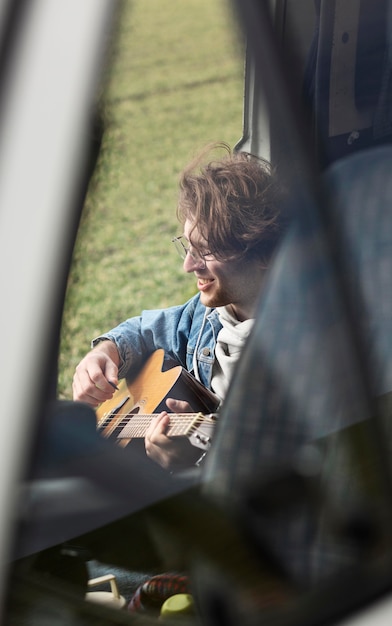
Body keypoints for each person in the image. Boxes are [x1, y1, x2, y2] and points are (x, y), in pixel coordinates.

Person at [73, 142, 287, 472]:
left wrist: (197, 465)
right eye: (187, 245)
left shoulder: (299, 358)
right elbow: (143, 331)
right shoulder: (209, 317)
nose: (189, 265)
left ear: (261, 254)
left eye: (206, 251)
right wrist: (104, 353)